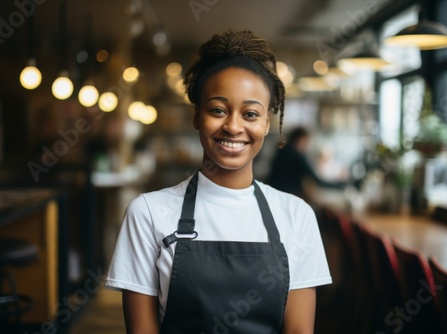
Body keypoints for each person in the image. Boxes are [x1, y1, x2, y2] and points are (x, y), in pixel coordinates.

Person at [105, 30, 332, 334]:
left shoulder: (297, 215)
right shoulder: (147, 212)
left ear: (266, 124)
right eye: (218, 110)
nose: (233, 126)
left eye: (250, 113)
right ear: (197, 116)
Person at [267, 127, 348, 202]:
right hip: (285, 196)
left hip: (274, 194)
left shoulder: (283, 150)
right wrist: (341, 185)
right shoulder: (295, 155)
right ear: (300, 140)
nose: (306, 146)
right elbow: (316, 180)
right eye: (306, 142)